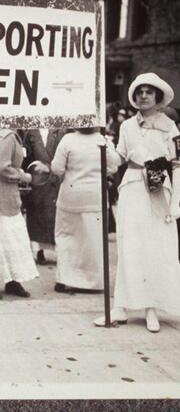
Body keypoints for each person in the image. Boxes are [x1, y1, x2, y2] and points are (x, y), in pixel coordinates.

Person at [94, 73, 180, 332]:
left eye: (149, 92)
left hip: (157, 188)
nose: (143, 95)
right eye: (139, 91)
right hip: (132, 187)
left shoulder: (170, 127)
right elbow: (118, 159)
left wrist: (175, 201)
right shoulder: (127, 126)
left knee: (155, 247)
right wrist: (105, 148)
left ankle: (151, 307)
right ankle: (121, 305)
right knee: (129, 244)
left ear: (157, 97)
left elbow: (176, 164)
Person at [49, 127, 120, 293]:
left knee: (67, 237)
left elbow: (57, 168)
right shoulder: (103, 141)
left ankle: (64, 278)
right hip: (95, 196)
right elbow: (113, 166)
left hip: (71, 194)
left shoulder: (68, 140)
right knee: (93, 240)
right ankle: (93, 281)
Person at [0, 126, 39, 300]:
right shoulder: (8, 137)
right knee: (8, 239)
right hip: (3, 198)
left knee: (0, 241)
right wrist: (22, 176)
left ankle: (10, 281)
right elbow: (1, 168)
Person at [22, 128, 66, 265]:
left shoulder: (61, 131)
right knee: (37, 215)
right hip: (38, 179)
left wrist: (50, 168)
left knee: (55, 215)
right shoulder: (31, 132)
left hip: (56, 179)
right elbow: (26, 157)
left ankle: (59, 251)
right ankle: (39, 250)